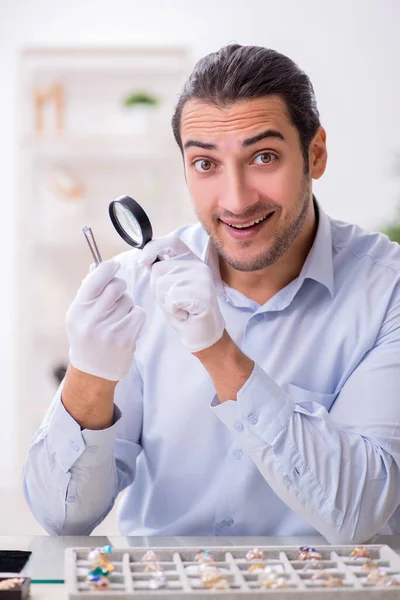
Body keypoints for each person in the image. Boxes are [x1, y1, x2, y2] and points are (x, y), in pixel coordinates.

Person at [23, 44, 400, 543]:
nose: (237, 199)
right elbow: (62, 519)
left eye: (263, 157)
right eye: (206, 164)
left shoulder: (387, 291)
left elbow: (360, 511)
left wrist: (216, 351)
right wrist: (89, 376)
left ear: (315, 154)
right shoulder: (136, 284)